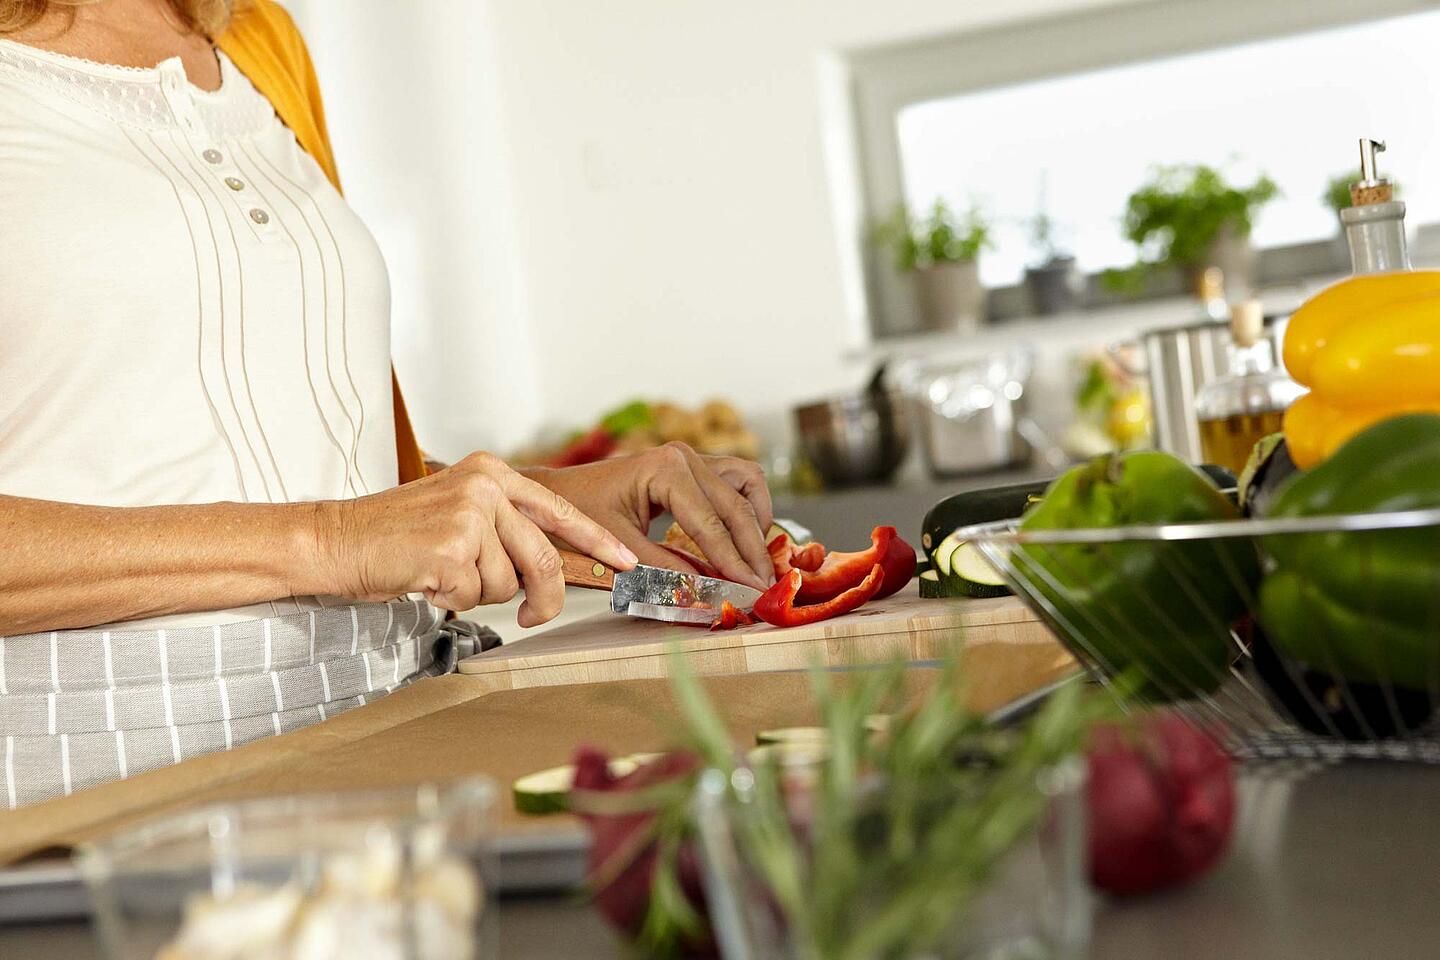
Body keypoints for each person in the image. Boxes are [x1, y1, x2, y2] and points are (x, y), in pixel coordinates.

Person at [0, 0, 775, 808]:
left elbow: (304, 458)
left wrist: (534, 500)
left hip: (391, 715)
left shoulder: (257, 34)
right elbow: (336, 536)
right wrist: (330, 541)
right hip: (104, 772)